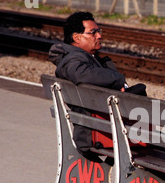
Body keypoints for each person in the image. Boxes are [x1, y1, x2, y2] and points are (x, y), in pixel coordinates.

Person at [48, 11, 146, 158]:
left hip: (101, 128)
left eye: (99, 31)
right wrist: (117, 79)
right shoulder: (74, 59)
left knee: (156, 136)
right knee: (160, 141)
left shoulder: (79, 57)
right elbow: (79, 73)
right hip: (98, 134)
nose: (99, 36)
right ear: (77, 38)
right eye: (93, 32)